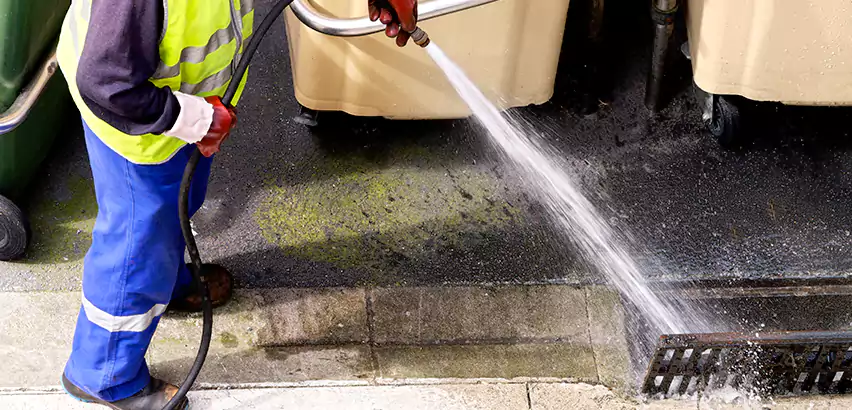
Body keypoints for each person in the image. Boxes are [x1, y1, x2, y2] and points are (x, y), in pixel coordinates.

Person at [56, 0, 418, 408]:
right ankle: (103, 374)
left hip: (178, 110)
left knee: (179, 205)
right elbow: (107, 82)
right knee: (136, 246)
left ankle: (167, 282)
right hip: (138, 129)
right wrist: (193, 118)